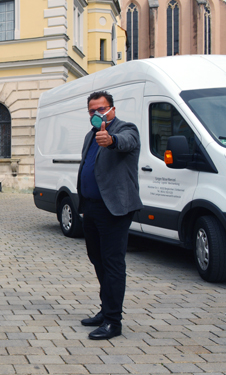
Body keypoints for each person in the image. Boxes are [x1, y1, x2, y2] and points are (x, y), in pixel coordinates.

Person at [77, 90, 143, 340]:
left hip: (114, 208)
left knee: (113, 263)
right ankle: (106, 310)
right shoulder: (89, 136)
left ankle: (114, 322)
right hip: (92, 207)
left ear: (112, 109)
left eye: (101, 109)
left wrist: (112, 140)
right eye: (92, 110)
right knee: (98, 259)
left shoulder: (126, 128)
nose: (96, 114)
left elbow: (127, 142)